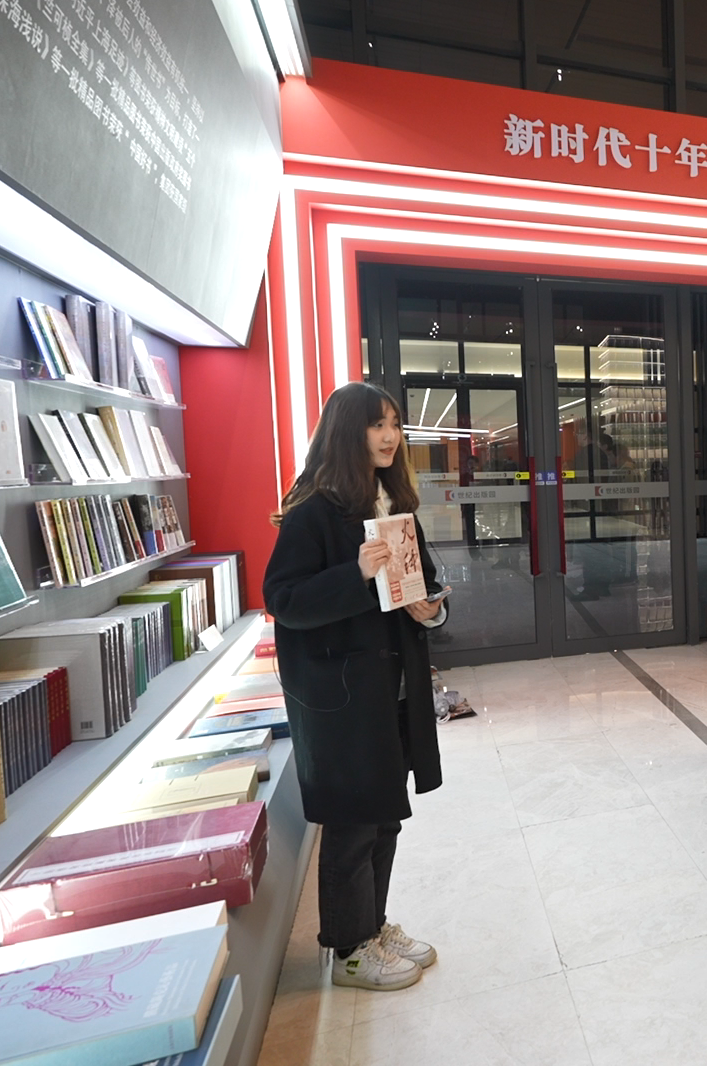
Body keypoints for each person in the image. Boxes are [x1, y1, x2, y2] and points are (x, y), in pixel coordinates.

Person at [263, 383, 447, 992]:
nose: (391, 436)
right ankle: (348, 948)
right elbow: (284, 599)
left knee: (385, 815)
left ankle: (372, 926)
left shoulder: (394, 503)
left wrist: (431, 609)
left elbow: (423, 583)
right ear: (348, 431)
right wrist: (357, 574)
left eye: (395, 423)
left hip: (391, 687)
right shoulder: (313, 510)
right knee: (353, 823)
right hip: (342, 696)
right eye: (377, 425)